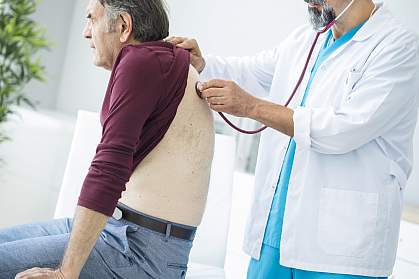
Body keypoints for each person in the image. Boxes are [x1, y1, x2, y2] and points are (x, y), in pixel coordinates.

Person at [168, 0, 419, 278]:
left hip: (341, 249)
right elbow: (251, 71)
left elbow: (342, 129)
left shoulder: (396, 45)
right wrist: (203, 64)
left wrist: (251, 107)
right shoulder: (305, 41)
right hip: (274, 237)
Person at [0, 0, 214, 278]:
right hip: (125, 233)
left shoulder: (142, 61)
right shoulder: (161, 60)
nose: (86, 33)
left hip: (138, 250)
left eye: (92, 19)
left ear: (123, 25)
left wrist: (67, 272)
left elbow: (109, 167)